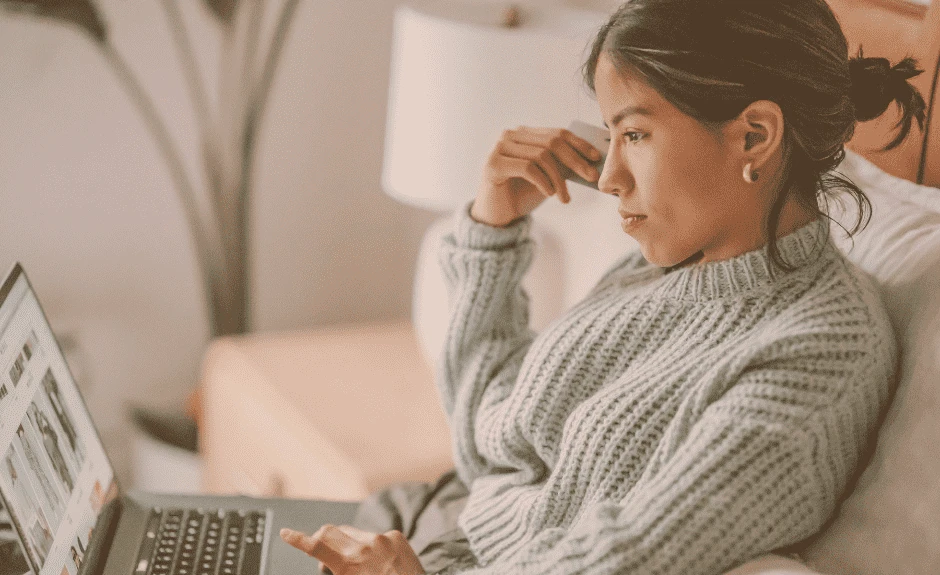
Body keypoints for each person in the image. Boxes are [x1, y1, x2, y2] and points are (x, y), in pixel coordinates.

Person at [280, 0, 923, 573]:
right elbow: (491, 447)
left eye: (636, 134)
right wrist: (492, 229)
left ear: (754, 135)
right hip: (437, 524)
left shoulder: (822, 353)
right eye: (610, 134)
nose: (611, 175)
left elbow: (629, 556)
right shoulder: (662, 269)